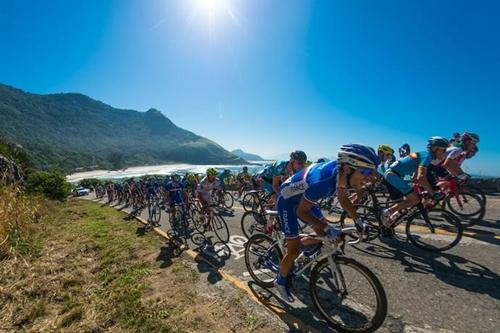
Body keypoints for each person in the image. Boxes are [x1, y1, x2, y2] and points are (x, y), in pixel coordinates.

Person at [274, 144, 380, 302]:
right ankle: (280, 282)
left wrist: (358, 221)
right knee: (294, 249)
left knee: (324, 234)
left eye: (372, 172)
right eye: (365, 172)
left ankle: (302, 251)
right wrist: (327, 227)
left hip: (306, 199)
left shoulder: (341, 174)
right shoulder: (322, 182)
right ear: (347, 169)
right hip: (288, 202)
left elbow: (343, 198)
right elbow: (300, 212)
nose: (370, 177)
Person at [382, 137, 449, 227]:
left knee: (411, 199)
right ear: (434, 148)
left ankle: (391, 218)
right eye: (443, 149)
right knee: (415, 200)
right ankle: (386, 213)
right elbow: (421, 177)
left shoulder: (424, 154)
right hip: (393, 176)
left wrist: (424, 190)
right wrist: (432, 193)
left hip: (394, 175)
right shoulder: (427, 156)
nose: (444, 152)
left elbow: (415, 177)